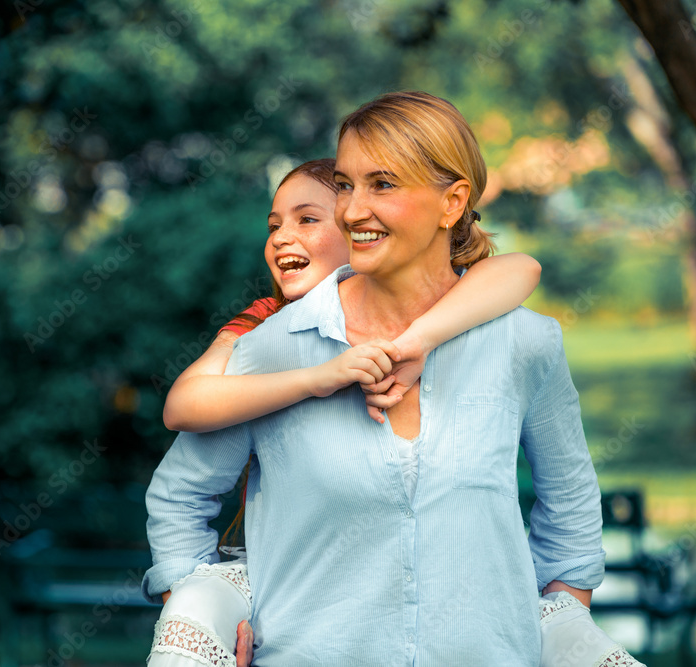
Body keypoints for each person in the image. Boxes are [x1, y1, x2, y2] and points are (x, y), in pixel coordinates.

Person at [144, 91, 638, 666]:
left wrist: (560, 619)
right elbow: (181, 494)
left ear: (451, 203)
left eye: (382, 185)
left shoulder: (523, 344)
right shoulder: (277, 347)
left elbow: (571, 504)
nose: (352, 210)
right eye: (347, 185)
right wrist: (199, 615)